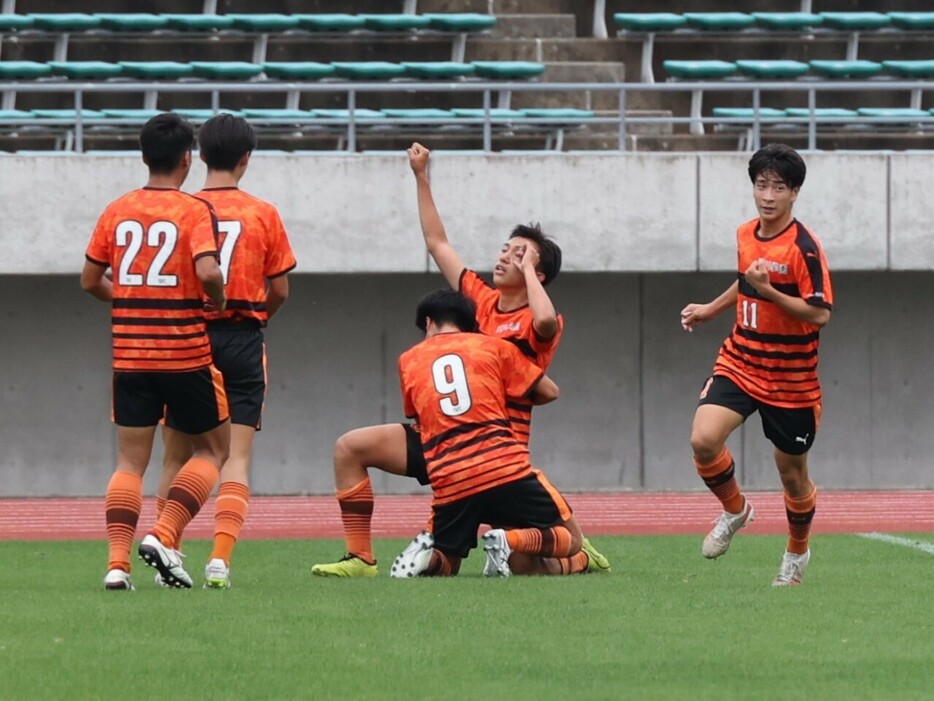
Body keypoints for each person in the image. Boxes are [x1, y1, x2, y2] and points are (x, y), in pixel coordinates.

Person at [311, 142, 608, 578]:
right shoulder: (480, 302)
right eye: (506, 249)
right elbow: (437, 242)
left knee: (529, 565)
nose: (505, 256)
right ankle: (360, 558)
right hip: (448, 437)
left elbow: (545, 321)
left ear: (538, 273)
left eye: (519, 253)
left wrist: (529, 270)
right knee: (350, 447)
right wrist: (420, 177)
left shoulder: (536, 318)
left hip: (497, 445)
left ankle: (577, 555)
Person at [80, 112, 230, 591]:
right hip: (184, 353)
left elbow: (89, 281)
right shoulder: (193, 210)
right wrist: (219, 299)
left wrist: (125, 297)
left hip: (129, 356)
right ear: (188, 159)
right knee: (212, 449)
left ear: (144, 157)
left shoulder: (116, 209)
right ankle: (164, 535)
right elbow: (208, 272)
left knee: (130, 463)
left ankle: (116, 565)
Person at [680, 143, 833, 586]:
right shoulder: (747, 233)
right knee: (703, 439)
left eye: (778, 187)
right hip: (741, 360)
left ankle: (796, 554)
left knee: (791, 474)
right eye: (761, 185)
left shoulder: (804, 248)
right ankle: (735, 510)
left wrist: (771, 293)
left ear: (794, 193)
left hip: (791, 381)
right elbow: (747, 282)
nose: (768, 195)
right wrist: (710, 309)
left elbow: (819, 312)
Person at [158, 114, 297, 589]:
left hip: (187, 336)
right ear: (246, 158)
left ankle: (169, 549)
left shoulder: (182, 209)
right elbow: (279, 289)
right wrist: (257, 320)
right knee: (235, 457)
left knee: (176, 455)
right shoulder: (263, 212)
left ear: (199, 156)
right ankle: (220, 559)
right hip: (242, 337)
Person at [389, 289, 583, 578]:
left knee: (447, 563)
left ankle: (425, 559)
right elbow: (549, 391)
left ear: (428, 323)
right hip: (503, 467)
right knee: (571, 539)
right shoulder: (492, 346)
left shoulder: (408, 360)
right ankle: (508, 540)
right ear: (469, 323)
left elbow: (418, 415)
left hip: (449, 477)